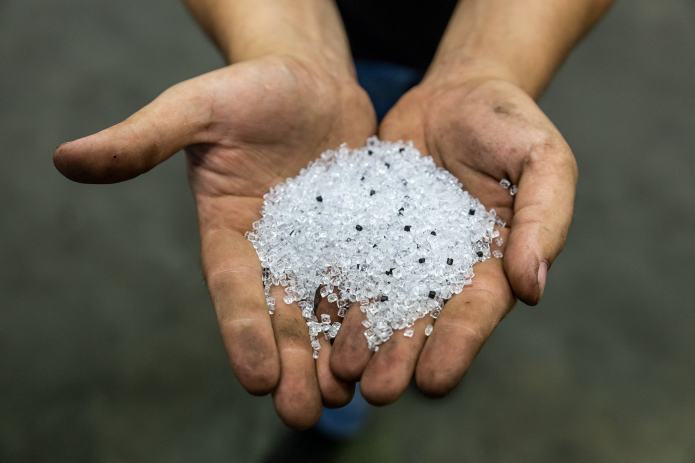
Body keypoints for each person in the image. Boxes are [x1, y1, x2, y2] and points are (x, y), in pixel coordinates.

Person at [53, 0, 613, 430]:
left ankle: (345, 404)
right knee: (324, 346)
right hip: (290, 44)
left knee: (405, 329)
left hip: (491, 47)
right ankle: (338, 414)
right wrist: (286, 42)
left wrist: (492, 63)